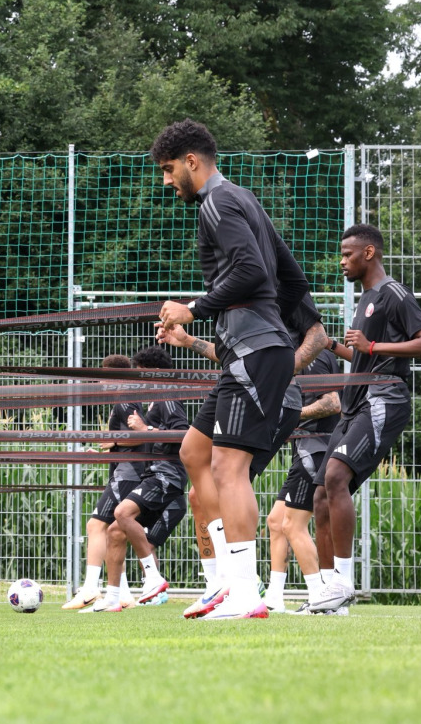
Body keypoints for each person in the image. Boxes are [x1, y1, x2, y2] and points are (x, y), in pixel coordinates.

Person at [152, 119, 307, 620]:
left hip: (254, 351)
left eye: (169, 170)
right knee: (194, 451)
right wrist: (270, 324)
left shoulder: (216, 203)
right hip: (248, 349)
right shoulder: (246, 200)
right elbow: (291, 277)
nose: (167, 181)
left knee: (229, 467)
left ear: (192, 162)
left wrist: (194, 309)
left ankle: (245, 594)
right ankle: (224, 581)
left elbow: (252, 272)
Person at [159, 292, 327, 616]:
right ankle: (226, 580)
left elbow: (319, 336)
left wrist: (278, 372)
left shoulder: (272, 280)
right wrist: (188, 340)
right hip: (235, 378)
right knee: (195, 470)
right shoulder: (234, 291)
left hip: (269, 392)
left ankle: (242, 583)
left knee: (228, 480)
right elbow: (233, 355)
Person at [309, 224, 421, 613]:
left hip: (385, 398)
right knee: (319, 496)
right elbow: (366, 356)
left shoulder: (393, 293)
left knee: (335, 477)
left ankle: (344, 584)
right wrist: (331, 345)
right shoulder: (364, 299)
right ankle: (329, 595)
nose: (341, 261)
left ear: (369, 253)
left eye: (347, 254)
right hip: (356, 403)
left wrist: (372, 344)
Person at [91, 345, 190, 612]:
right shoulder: (155, 397)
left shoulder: (167, 395)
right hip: (154, 473)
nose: (138, 376)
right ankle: (113, 597)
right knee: (114, 532)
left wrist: (146, 428)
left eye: (141, 371)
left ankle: (154, 579)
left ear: (154, 372)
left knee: (122, 514)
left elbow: (183, 433)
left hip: (167, 474)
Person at [265, 351, 339, 613]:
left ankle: (320, 595)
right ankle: (274, 596)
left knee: (293, 525)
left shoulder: (312, 358)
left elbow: (332, 403)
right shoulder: (297, 357)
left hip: (315, 450)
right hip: (306, 449)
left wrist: (290, 419)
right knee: (275, 521)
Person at [63, 355, 138, 610]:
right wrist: (106, 454)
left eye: (103, 375)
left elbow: (140, 436)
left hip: (127, 475)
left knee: (95, 525)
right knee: (113, 533)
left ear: (115, 376)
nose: (100, 380)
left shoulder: (124, 401)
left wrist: (114, 443)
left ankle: (90, 588)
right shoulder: (125, 399)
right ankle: (124, 594)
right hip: (126, 471)